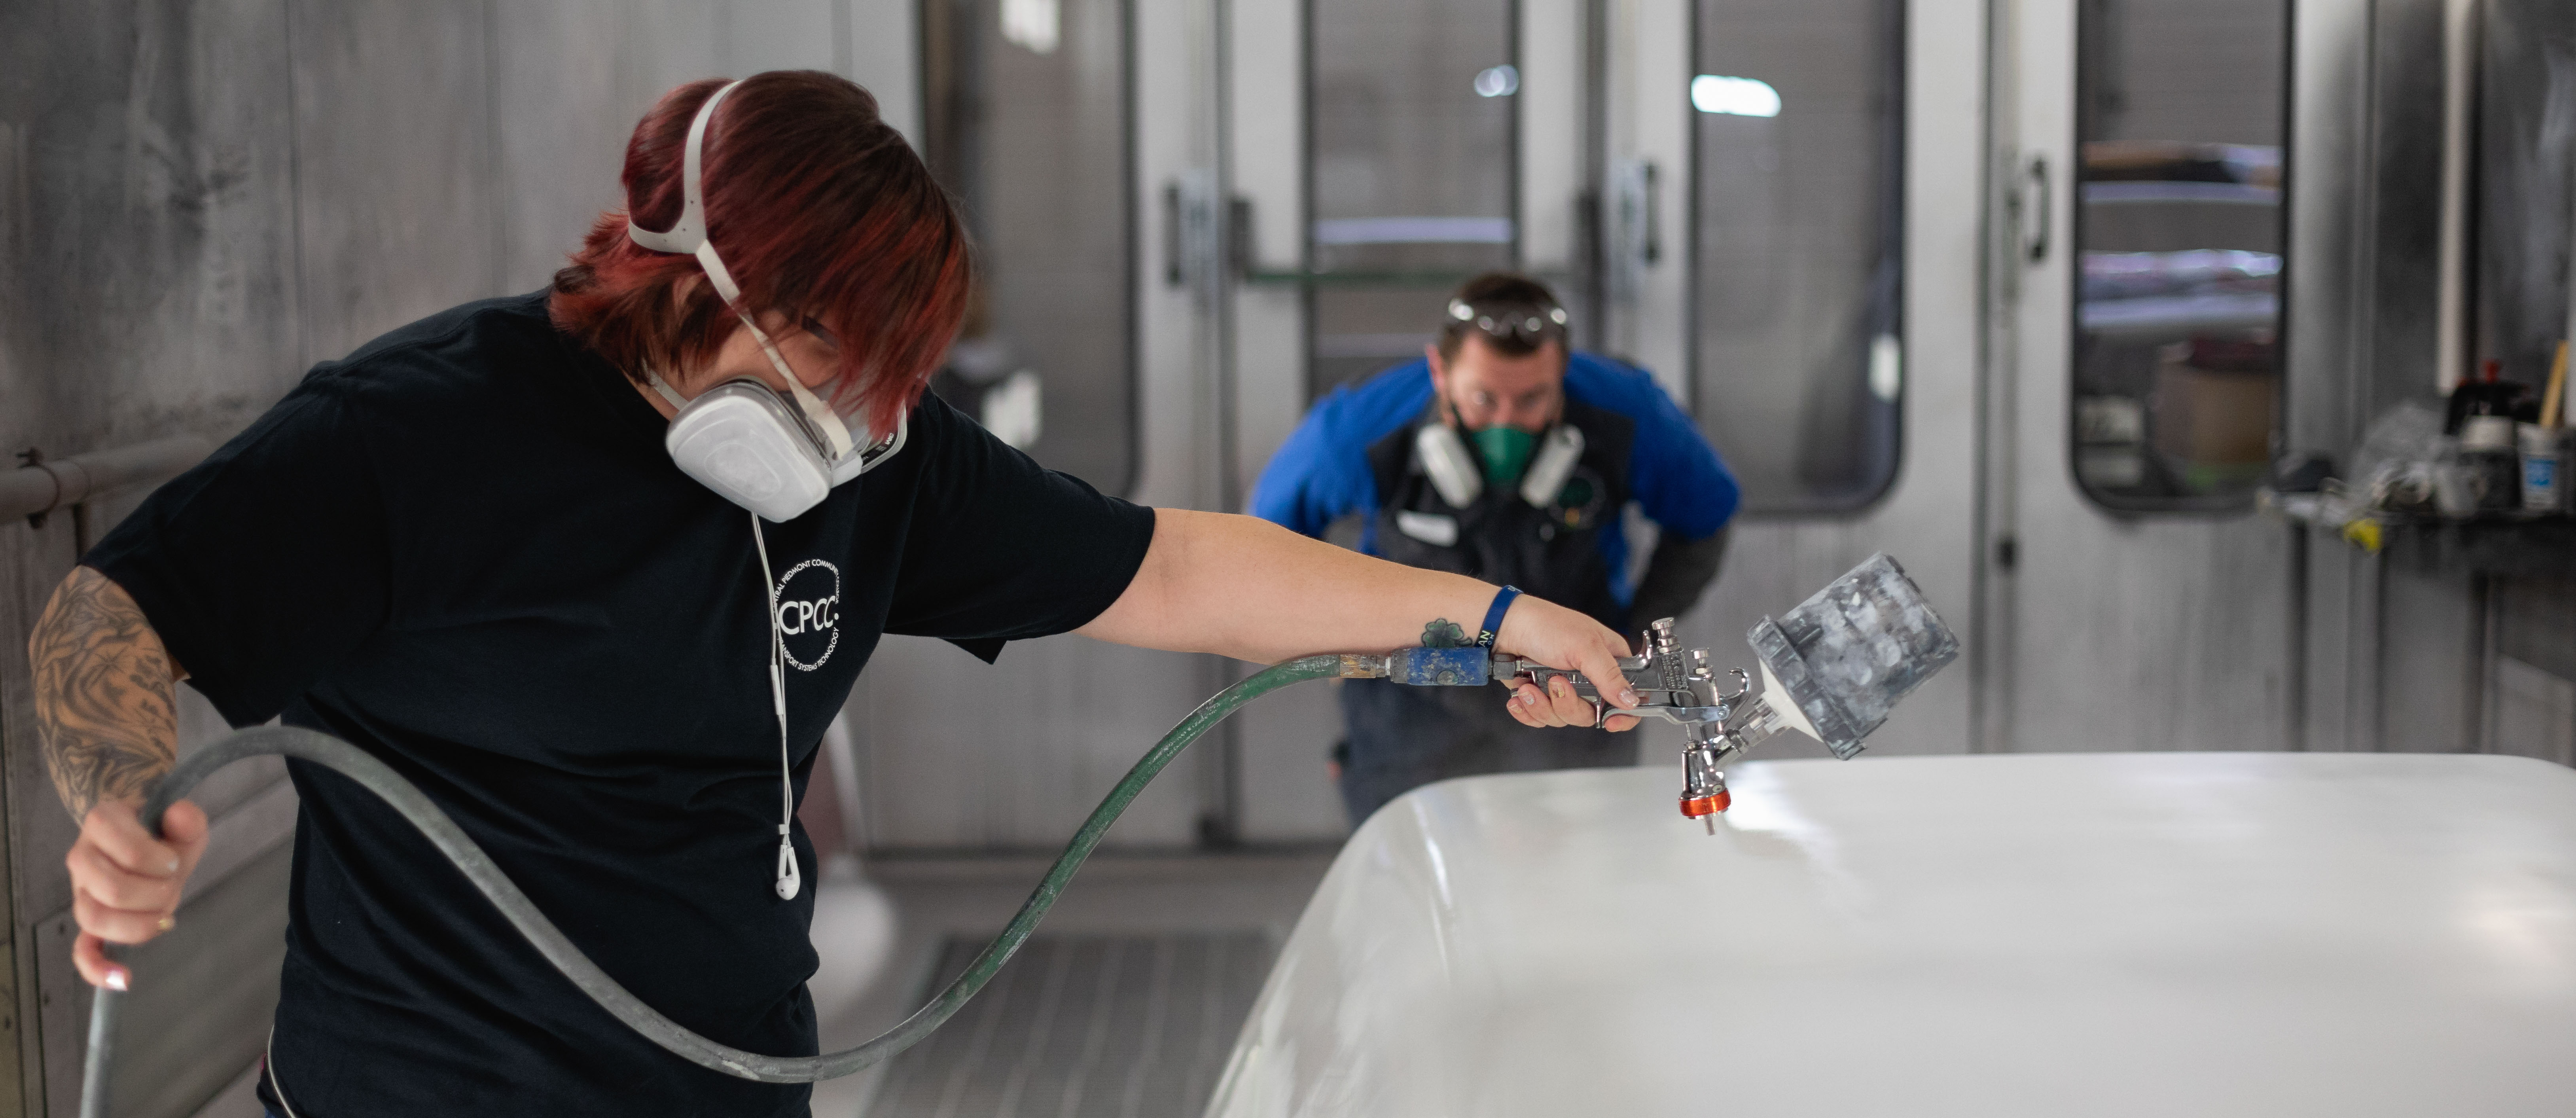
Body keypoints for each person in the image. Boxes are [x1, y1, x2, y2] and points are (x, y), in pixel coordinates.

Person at [30, 73, 1640, 1118]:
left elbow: (1181, 565)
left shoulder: (878, 462)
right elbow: (116, 611)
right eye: (836, 360)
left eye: (904, 377)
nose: (873, 416)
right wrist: (108, 798)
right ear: (689, 276)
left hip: (734, 1079)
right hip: (421, 1088)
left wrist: (1491, 617)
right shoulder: (415, 434)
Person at [1250, 272, 1739, 824]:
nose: (1506, 424)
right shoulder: (1362, 426)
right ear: (1440, 371)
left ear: (1564, 373)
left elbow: (1708, 514)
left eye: (1532, 399)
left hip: (1574, 712)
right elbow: (1268, 543)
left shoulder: (1627, 414)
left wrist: (1633, 636)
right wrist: (1333, 635)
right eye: (1484, 399)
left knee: (1585, 884)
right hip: (1409, 718)